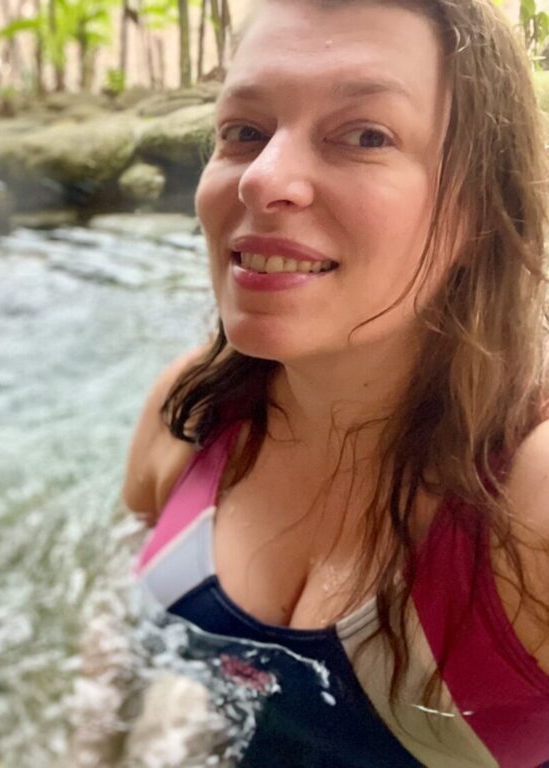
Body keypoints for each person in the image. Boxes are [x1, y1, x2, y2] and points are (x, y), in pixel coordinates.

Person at [122, 0, 549, 765]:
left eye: (364, 136)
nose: (264, 180)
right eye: (243, 132)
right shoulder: (186, 409)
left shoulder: (530, 496)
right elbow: (115, 630)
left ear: (480, 206)